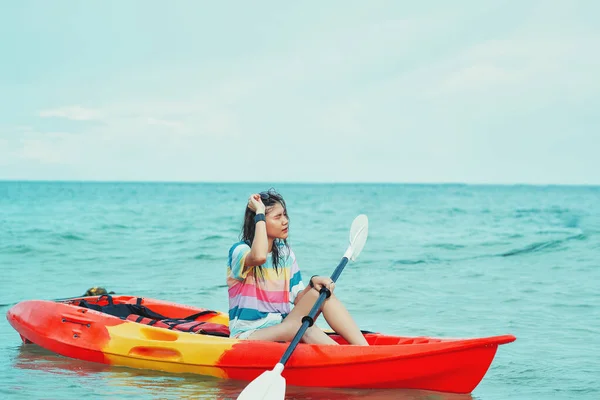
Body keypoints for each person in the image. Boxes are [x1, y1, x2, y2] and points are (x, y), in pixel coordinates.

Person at [226, 188, 368, 345]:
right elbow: (258, 256)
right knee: (302, 327)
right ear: (259, 221)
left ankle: (364, 350)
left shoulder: (284, 253)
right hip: (249, 334)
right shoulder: (239, 251)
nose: (285, 220)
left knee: (322, 294)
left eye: (284, 214)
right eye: (277, 217)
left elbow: (298, 299)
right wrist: (259, 211)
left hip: (283, 326)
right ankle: (347, 358)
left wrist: (312, 283)